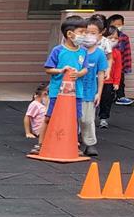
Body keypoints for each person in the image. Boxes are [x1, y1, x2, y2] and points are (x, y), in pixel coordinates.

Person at [36, 15, 88, 154]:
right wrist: (60, 70)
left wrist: (79, 74)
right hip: (57, 91)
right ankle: (40, 143)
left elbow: (85, 69)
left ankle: (73, 144)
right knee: (49, 117)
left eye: (85, 32)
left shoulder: (83, 51)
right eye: (81, 32)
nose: (84, 35)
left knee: (74, 118)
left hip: (76, 92)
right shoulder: (58, 50)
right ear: (70, 34)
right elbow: (48, 69)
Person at [76, 17, 108, 157]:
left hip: (89, 92)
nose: (88, 35)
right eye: (86, 32)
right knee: (73, 118)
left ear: (100, 35)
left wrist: (98, 93)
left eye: (93, 33)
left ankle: (90, 143)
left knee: (87, 119)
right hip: (74, 90)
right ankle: (73, 142)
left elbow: (101, 74)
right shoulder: (78, 50)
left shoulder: (99, 53)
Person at [100, 25, 123, 129]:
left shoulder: (117, 53)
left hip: (109, 82)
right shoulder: (99, 51)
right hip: (96, 80)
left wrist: (116, 82)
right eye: (110, 37)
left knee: (107, 100)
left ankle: (103, 118)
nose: (113, 40)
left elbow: (118, 69)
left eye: (116, 38)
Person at [106, 14, 132, 105]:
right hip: (108, 63)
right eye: (115, 25)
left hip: (119, 63)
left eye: (119, 24)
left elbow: (127, 52)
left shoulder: (124, 37)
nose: (117, 26)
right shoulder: (105, 36)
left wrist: (126, 66)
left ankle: (120, 97)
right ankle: (108, 96)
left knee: (120, 80)